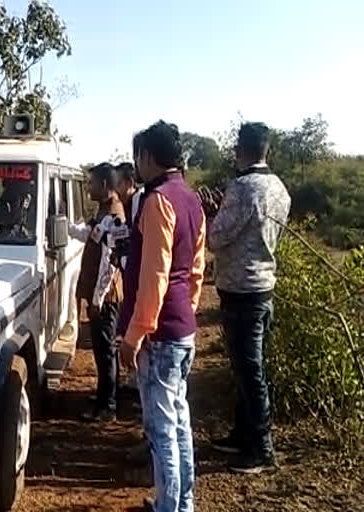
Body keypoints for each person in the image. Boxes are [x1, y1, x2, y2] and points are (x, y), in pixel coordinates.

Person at [116, 121, 206, 512]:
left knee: (160, 430)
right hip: (182, 327)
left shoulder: (158, 201)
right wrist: (189, 308)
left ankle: (170, 507)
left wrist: (136, 333)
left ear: (148, 157)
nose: (136, 164)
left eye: (138, 157)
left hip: (160, 333)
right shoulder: (191, 198)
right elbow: (197, 268)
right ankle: (182, 503)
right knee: (179, 422)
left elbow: (155, 272)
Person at [207, 122, 291, 474]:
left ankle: (262, 449)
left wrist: (213, 213)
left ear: (241, 150)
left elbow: (216, 238)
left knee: (250, 370)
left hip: (242, 291)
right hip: (263, 287)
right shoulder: (279, 188)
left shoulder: (243, 188)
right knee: (248, 367)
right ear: (266, 149)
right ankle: (244, 434)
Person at [68, 163, 126, 422]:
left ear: (104, 185)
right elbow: (90, 235)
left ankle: (108, 407)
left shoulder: (114, 216)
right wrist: (64, 226)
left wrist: (97, 298)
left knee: (106, 351)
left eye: (91, 183)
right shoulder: (104, 212)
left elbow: (110, 262)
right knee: (102, 351)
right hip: (100, 294)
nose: (88, 187)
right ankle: (105, 396)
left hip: (106, 296)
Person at [114, 161, 145, 399]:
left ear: (129, 183)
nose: (115, 187)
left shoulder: (140, 202)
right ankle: (135, 378)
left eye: (118, 182)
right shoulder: (130, 203)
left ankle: (139, 380)